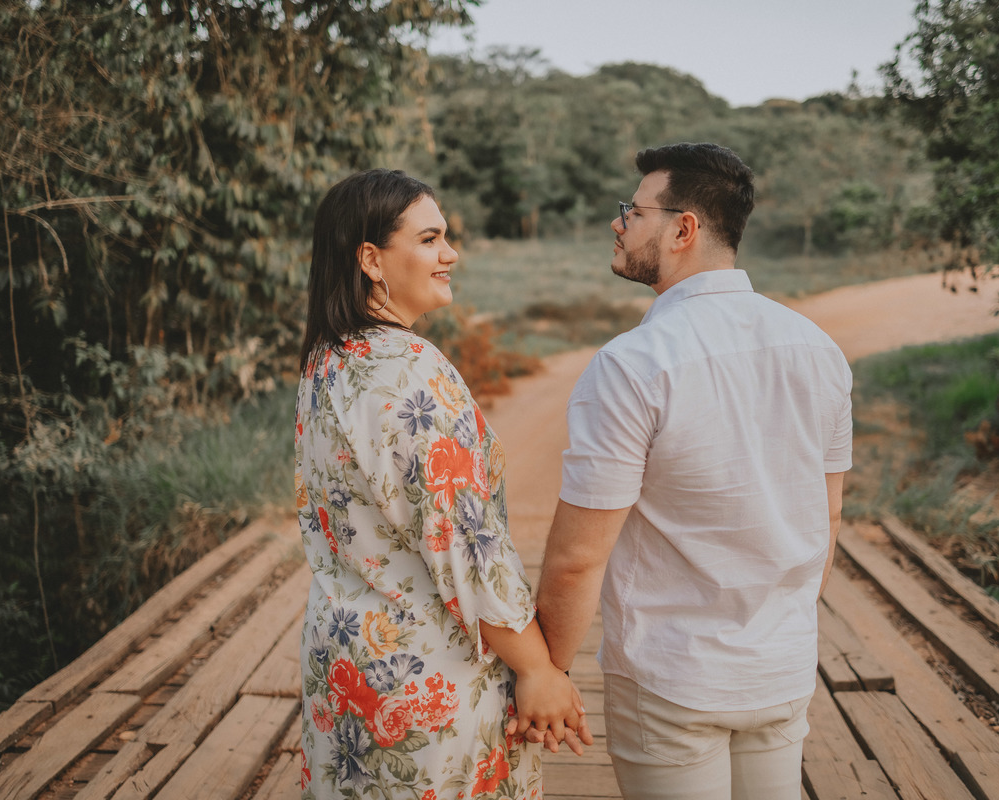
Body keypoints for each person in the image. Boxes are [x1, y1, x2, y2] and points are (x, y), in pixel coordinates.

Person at [535, 143, 852, 799]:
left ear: (684, 229)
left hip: (671, 679)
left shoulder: (633, 364)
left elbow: (576, 560)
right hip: (781, 669)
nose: (619, 222)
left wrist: (550, 672)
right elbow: (830, 517)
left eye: (634, 211)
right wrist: (780, 630)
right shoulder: (818, 349)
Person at [295, 169, 590, 800]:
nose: (450, 254)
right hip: (427, 676)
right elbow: (466, 544)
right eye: (430, 239)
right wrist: (537, 668)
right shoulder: (411, 371)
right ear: (371, 260)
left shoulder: (326, 360)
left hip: (344, 660)